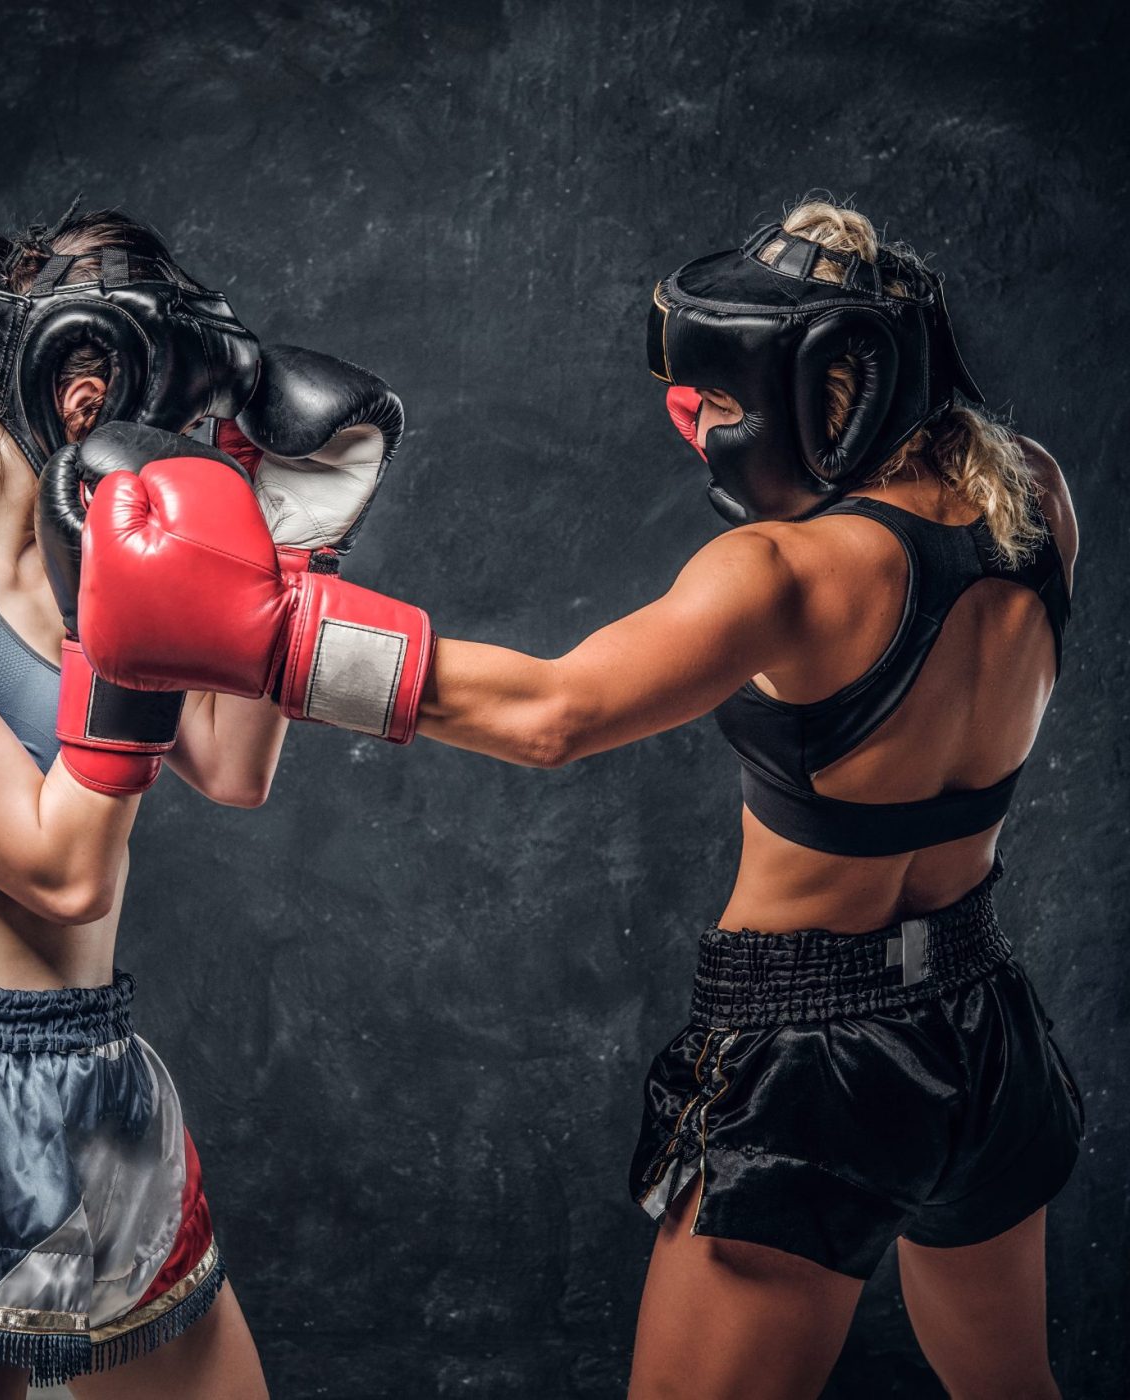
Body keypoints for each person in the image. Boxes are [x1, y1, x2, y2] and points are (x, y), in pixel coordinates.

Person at [69, 200, 1082, 1400]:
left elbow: (553, 713)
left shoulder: (782, 574)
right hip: (982, 1020)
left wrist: (279, 638)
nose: (702, 423)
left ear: (828, 392)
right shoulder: (1034, 500)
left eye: (726, 394)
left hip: (816, 1058)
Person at [0, 206, 405, 1398]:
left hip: (91, 1069)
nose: (181, 453)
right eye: (174, 423)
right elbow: (63, 867)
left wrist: (291, 539)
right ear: (85, 395)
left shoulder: (84, 545)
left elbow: (232, 766)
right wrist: (118, 631)